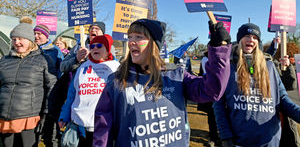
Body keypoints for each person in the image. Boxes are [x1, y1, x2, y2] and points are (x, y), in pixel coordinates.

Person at [93, 18, 232, 147]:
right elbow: (103, 134)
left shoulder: (176, 76)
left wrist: (218, 49)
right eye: (130, 37)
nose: (131, 42)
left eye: (139, 37)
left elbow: (212, 90)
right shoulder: (116, 81)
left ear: (154, 44)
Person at [213, 23, 300, 147]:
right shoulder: (228, 66)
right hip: (240, 140)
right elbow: (218, 104)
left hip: (269, 140)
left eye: (255, 37)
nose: (251, 40)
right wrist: (225, 136)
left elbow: (283, 99)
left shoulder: (269, 66)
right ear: (239, 39)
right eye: (247, 36)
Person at [0, 21, 57, 147]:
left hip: (29, 118)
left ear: (30, 40)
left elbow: (51, 88)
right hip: (4, 117)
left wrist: (47, 115)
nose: (17, 42)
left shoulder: (43, 60)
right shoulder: (4, 60)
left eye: (21, 39)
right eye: (14, 39)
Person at [58, 34, 120, 147]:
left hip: (104, 127)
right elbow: (72, 93)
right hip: (79, 125)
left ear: (107, 49)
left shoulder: (116, 67)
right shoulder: (82, 67)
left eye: (99, 46)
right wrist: (64, 115)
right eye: (92, 46)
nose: (95, 48)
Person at [197, 50, 220, 147]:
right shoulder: (205, 59)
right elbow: (203, 74)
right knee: (212, 116)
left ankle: (220, 136)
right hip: (211, 91)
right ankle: (213, 137)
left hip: (222, 92)